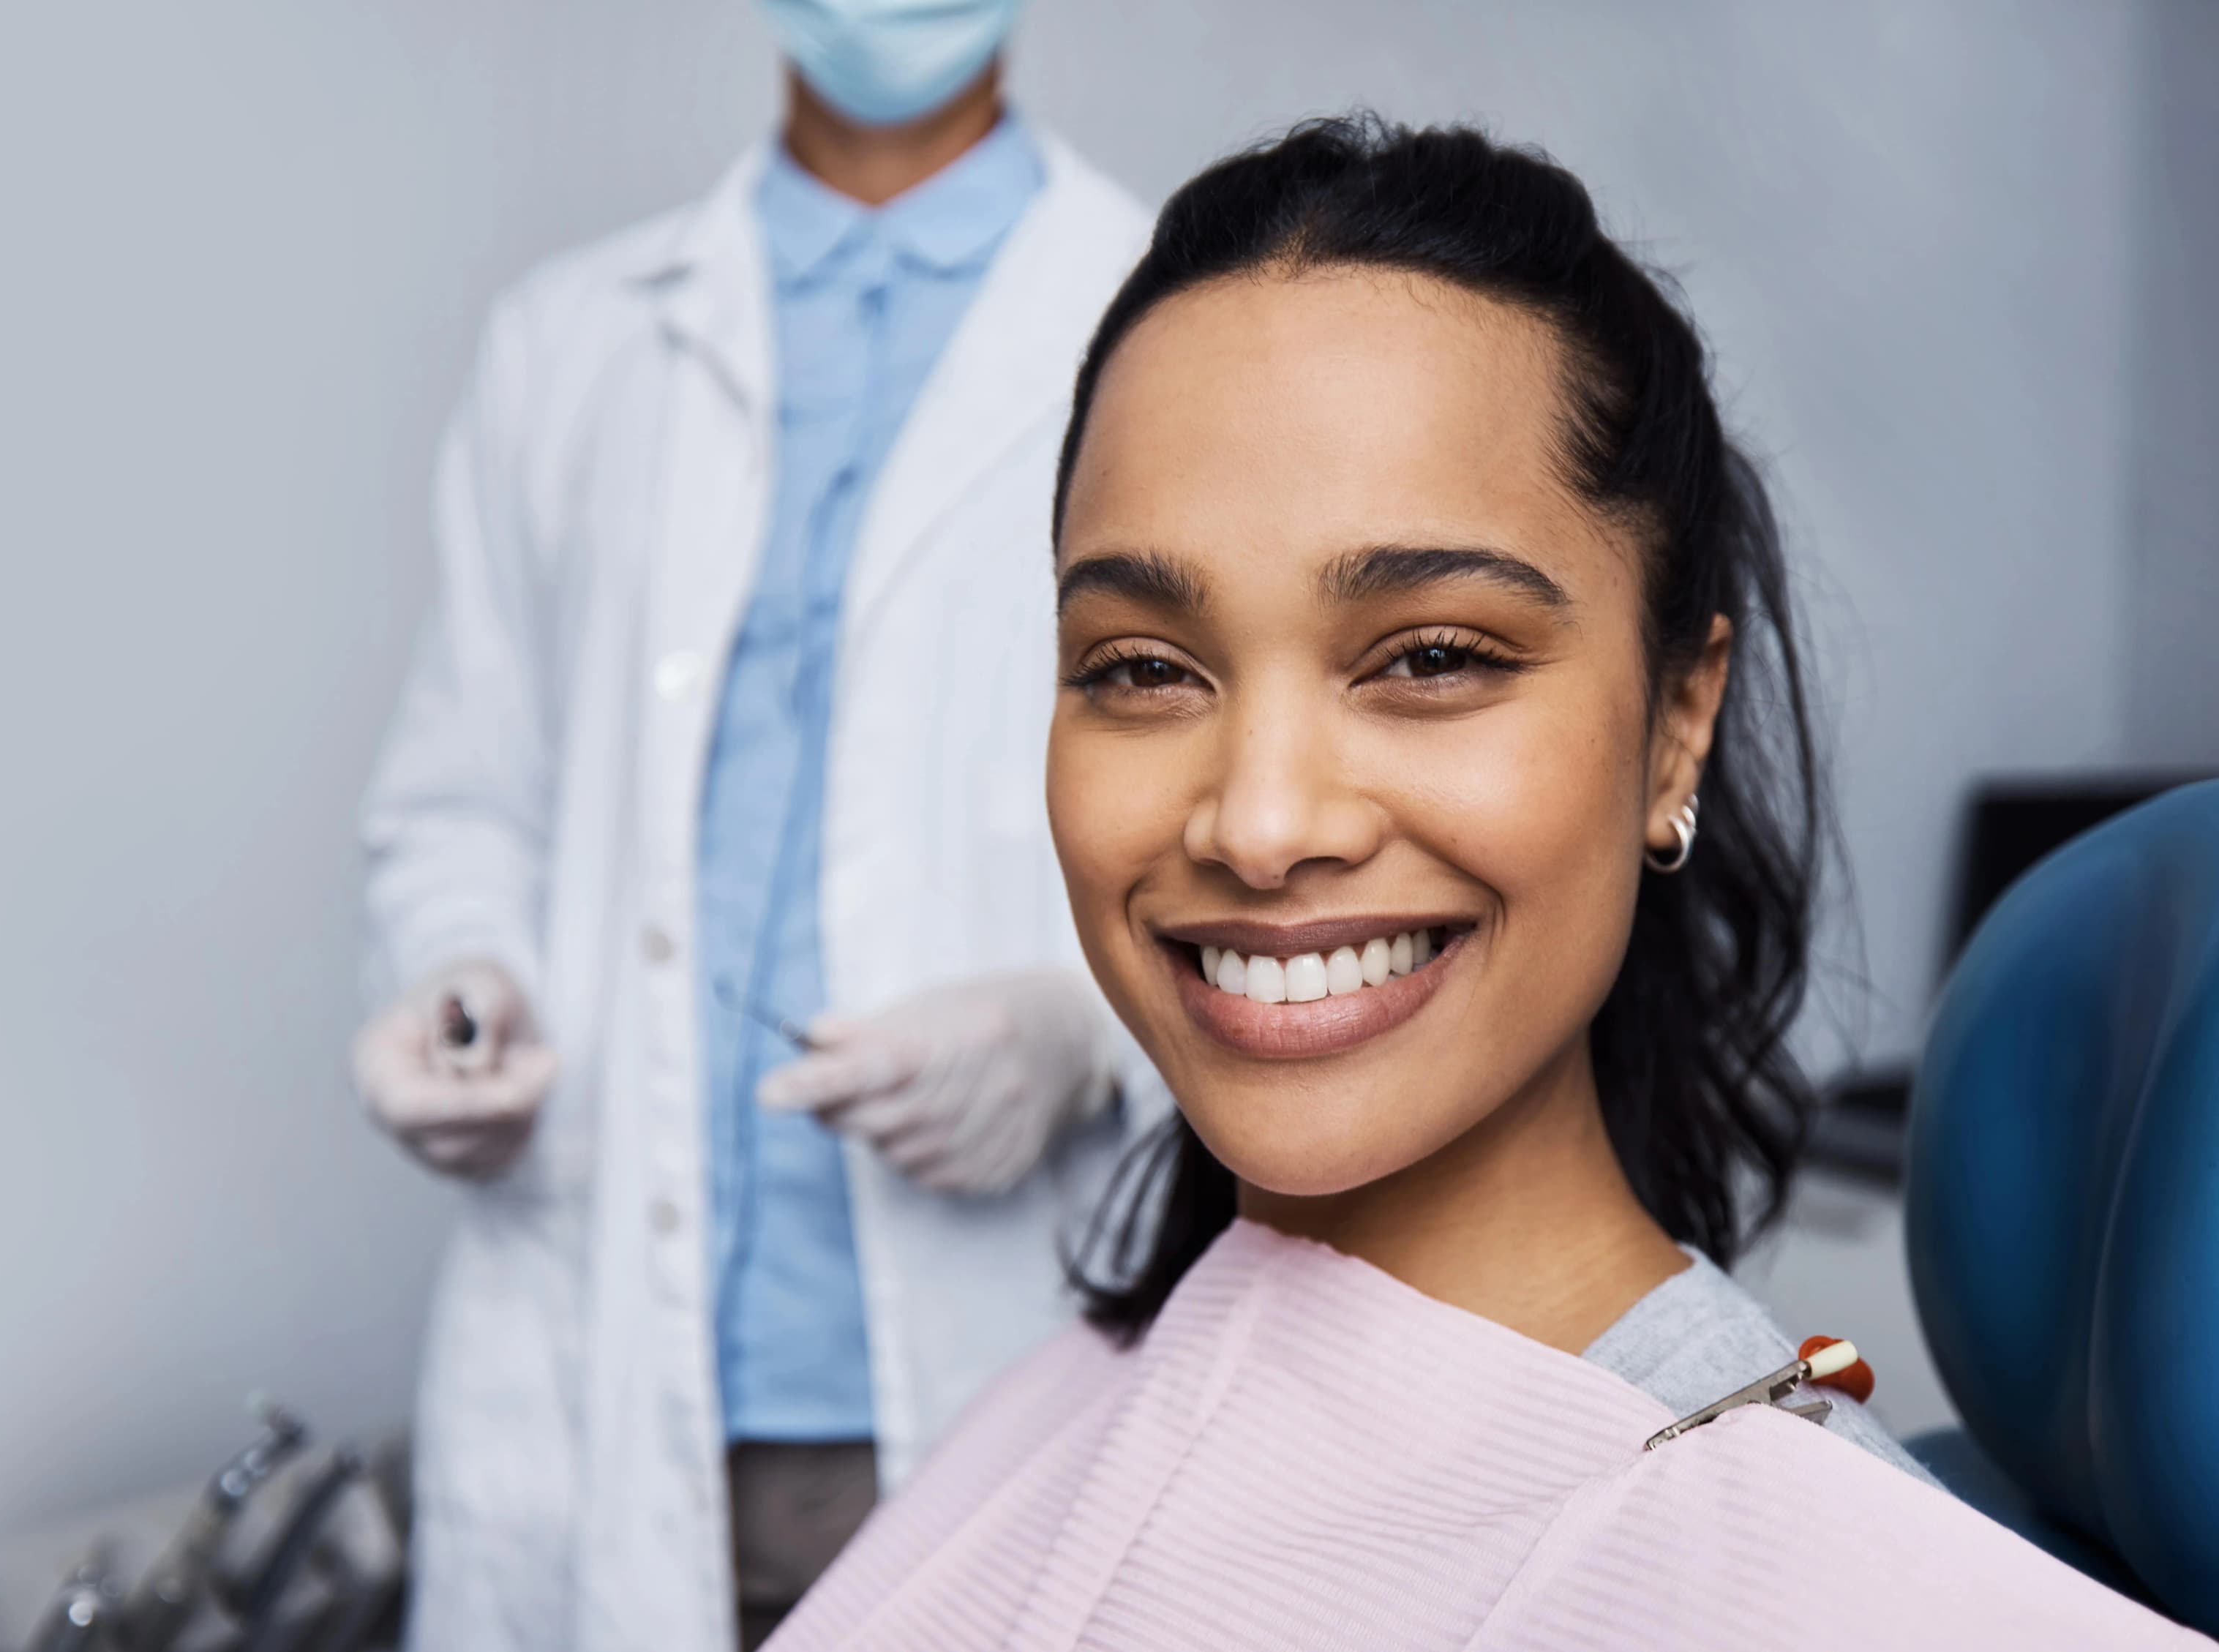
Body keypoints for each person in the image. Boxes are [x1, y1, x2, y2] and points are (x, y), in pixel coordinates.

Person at [762, 118, 2211, 1648]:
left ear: (1673, 724)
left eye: (1433, 658)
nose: (1258, 825)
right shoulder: (1060, 1402)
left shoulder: (1821, 1580)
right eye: (1142, 667)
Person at [350, 4, 1158, 1648]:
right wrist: (463, 975)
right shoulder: (570, 341)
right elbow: (463, 797)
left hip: (988, 1373)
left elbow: (1272, 815)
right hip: (595, 1381)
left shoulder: (1173, 323)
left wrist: (1092, 1035)